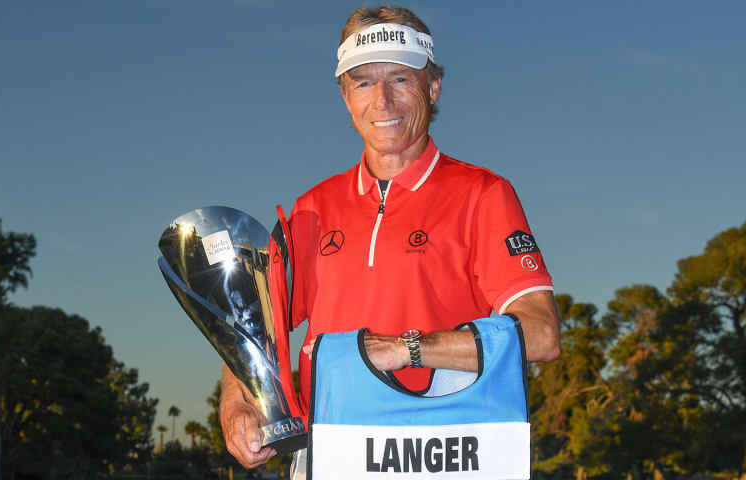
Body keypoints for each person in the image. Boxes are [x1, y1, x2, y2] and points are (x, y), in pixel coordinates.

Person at [218, 5, 560, 471]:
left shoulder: (483, 194)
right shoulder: (312, 207)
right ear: (344, 95)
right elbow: (252, 325)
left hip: (445, 453)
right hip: (333, 451)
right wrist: (237, 405)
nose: (381, 100)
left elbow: (541, 335)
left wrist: (407, 348)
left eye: (399, 78)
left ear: (432, 86)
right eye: (362, 82)